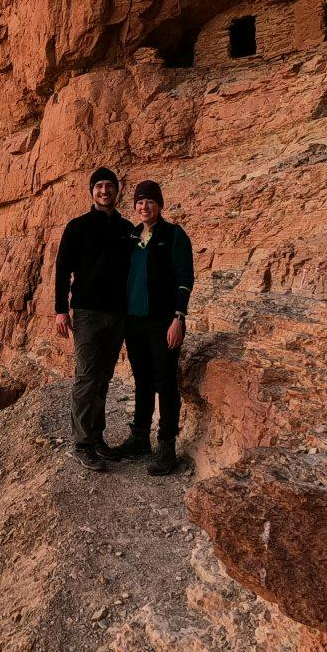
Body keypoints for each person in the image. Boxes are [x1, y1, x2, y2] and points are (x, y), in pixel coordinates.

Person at [105, 179, 193, 475]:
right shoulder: (131, 237)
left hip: (163, 321)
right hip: (134, 321)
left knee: (166, 382)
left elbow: (184, 278)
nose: (144, 207)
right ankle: (140, 438)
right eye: (140, 202)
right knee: (142, 380)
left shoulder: (173, 235)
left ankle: (167, 447)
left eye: (150, 202)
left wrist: (178, 318)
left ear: (160, 205)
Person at [53, 167, 132, 471]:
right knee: (87, 376)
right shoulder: (77, 227)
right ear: (91, 192)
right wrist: (61, 309)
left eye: (109, 186)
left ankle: (97, 438)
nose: (104, 191)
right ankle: (82, 444)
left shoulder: (126, 228)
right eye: (98, 186)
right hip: (87, 312)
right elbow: (62, 269)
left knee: (103, 377)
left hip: (117, 314)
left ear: (117, 190)